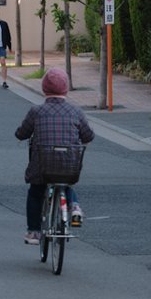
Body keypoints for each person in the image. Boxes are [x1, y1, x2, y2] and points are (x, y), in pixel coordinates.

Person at [15, 66, 93, 244]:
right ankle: (74, 206)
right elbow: (88, 136)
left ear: (44, 88)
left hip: (42, 165)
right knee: (64, 182)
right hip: (69, 164)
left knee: (35, 192)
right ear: (65, 88)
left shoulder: (36, 111)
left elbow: (22, 133)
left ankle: (34, 232)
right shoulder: (76, 112)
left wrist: (20, 135)